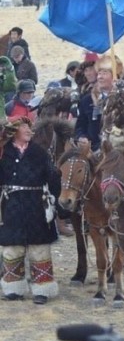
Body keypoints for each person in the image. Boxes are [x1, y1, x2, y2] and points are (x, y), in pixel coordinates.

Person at [0, 116, 61, 304]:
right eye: (24, 127)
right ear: (13, 132)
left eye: (29, 127)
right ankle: (13, 288)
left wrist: (55, 201)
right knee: (12, 247)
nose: (29, 130)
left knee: (39, 248)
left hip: (36, 205)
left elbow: (52, 178)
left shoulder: (39, 152)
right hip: (11, 206)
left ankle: (42, 290)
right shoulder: (4, 152)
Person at [75, 55, 122, 152]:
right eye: (99, 73)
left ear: (114, 75)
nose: (99, 77)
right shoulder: (87, 100)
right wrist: (82, 137)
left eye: (104, 73)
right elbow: (80, 126)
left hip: (121, 150)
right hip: (94, 150)